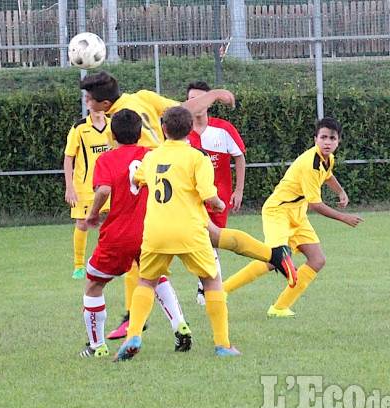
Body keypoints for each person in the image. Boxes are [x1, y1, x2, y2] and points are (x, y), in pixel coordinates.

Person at [78, 71, 296, 338]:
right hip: (173, 170)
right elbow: (181, 111)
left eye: (89, 100)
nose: (87, 105)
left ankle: (134, 321)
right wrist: (213, 95)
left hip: (156, 178)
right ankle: (273, 255)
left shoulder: (118, 122)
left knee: (141, 247)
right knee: (204, 237)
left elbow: (130, 164)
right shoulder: (143, 97)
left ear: (103, 105)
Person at [114, 106, 241, 360]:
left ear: (164, 129)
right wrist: (217, 204)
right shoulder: (197, 158)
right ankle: (223, 344)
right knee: (211, 280)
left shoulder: (151, 157)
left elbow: (138, 179)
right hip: (189, 230)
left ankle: (134, 335)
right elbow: (209, 195)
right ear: (191, 130)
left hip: (156, 231)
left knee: (146, 282)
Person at [222, 117, 364, 318]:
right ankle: (223, 289)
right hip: (278, 211)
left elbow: (328, 174)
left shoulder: (327, 159)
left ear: (338, 141)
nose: (327, 142)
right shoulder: (310, 164)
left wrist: (341, 191)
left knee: (317, 260)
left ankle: (280, 308)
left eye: (332, 138)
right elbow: (316, 205)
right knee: (274, 259)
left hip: (297, 213)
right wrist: (344, 218)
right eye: (323, 137)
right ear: (315, 139)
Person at [79, 108, 192, 358]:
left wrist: (93, 214)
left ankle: (97, 347)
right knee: (154, 277)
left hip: (118, 235)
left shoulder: (107, 160)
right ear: (141, 133)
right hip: (151, 231)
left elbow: (104, 189)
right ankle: (179, 324)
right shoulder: (151, 156)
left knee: (94, 285)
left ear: (112, 133)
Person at [186, 81, 247, 305]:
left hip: (220, 199)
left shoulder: (223, 128)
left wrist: (238, 190)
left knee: (213, 243)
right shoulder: (179, 132)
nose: (197, 103)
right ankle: (209, 289)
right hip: (191, 201)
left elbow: (239, 156)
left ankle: (206, 288)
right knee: (199, 243)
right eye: (192, 98)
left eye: (202, 98)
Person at [63, 101, 113, 279]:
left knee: (116, 222)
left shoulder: (112, 126)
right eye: (94, 103)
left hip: (109, 184)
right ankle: (78, 266)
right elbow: (68, 157)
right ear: (89, 104)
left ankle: (117, 262)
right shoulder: (79, 128)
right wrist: (69, 187)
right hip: (85, 187)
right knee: (83, 223)